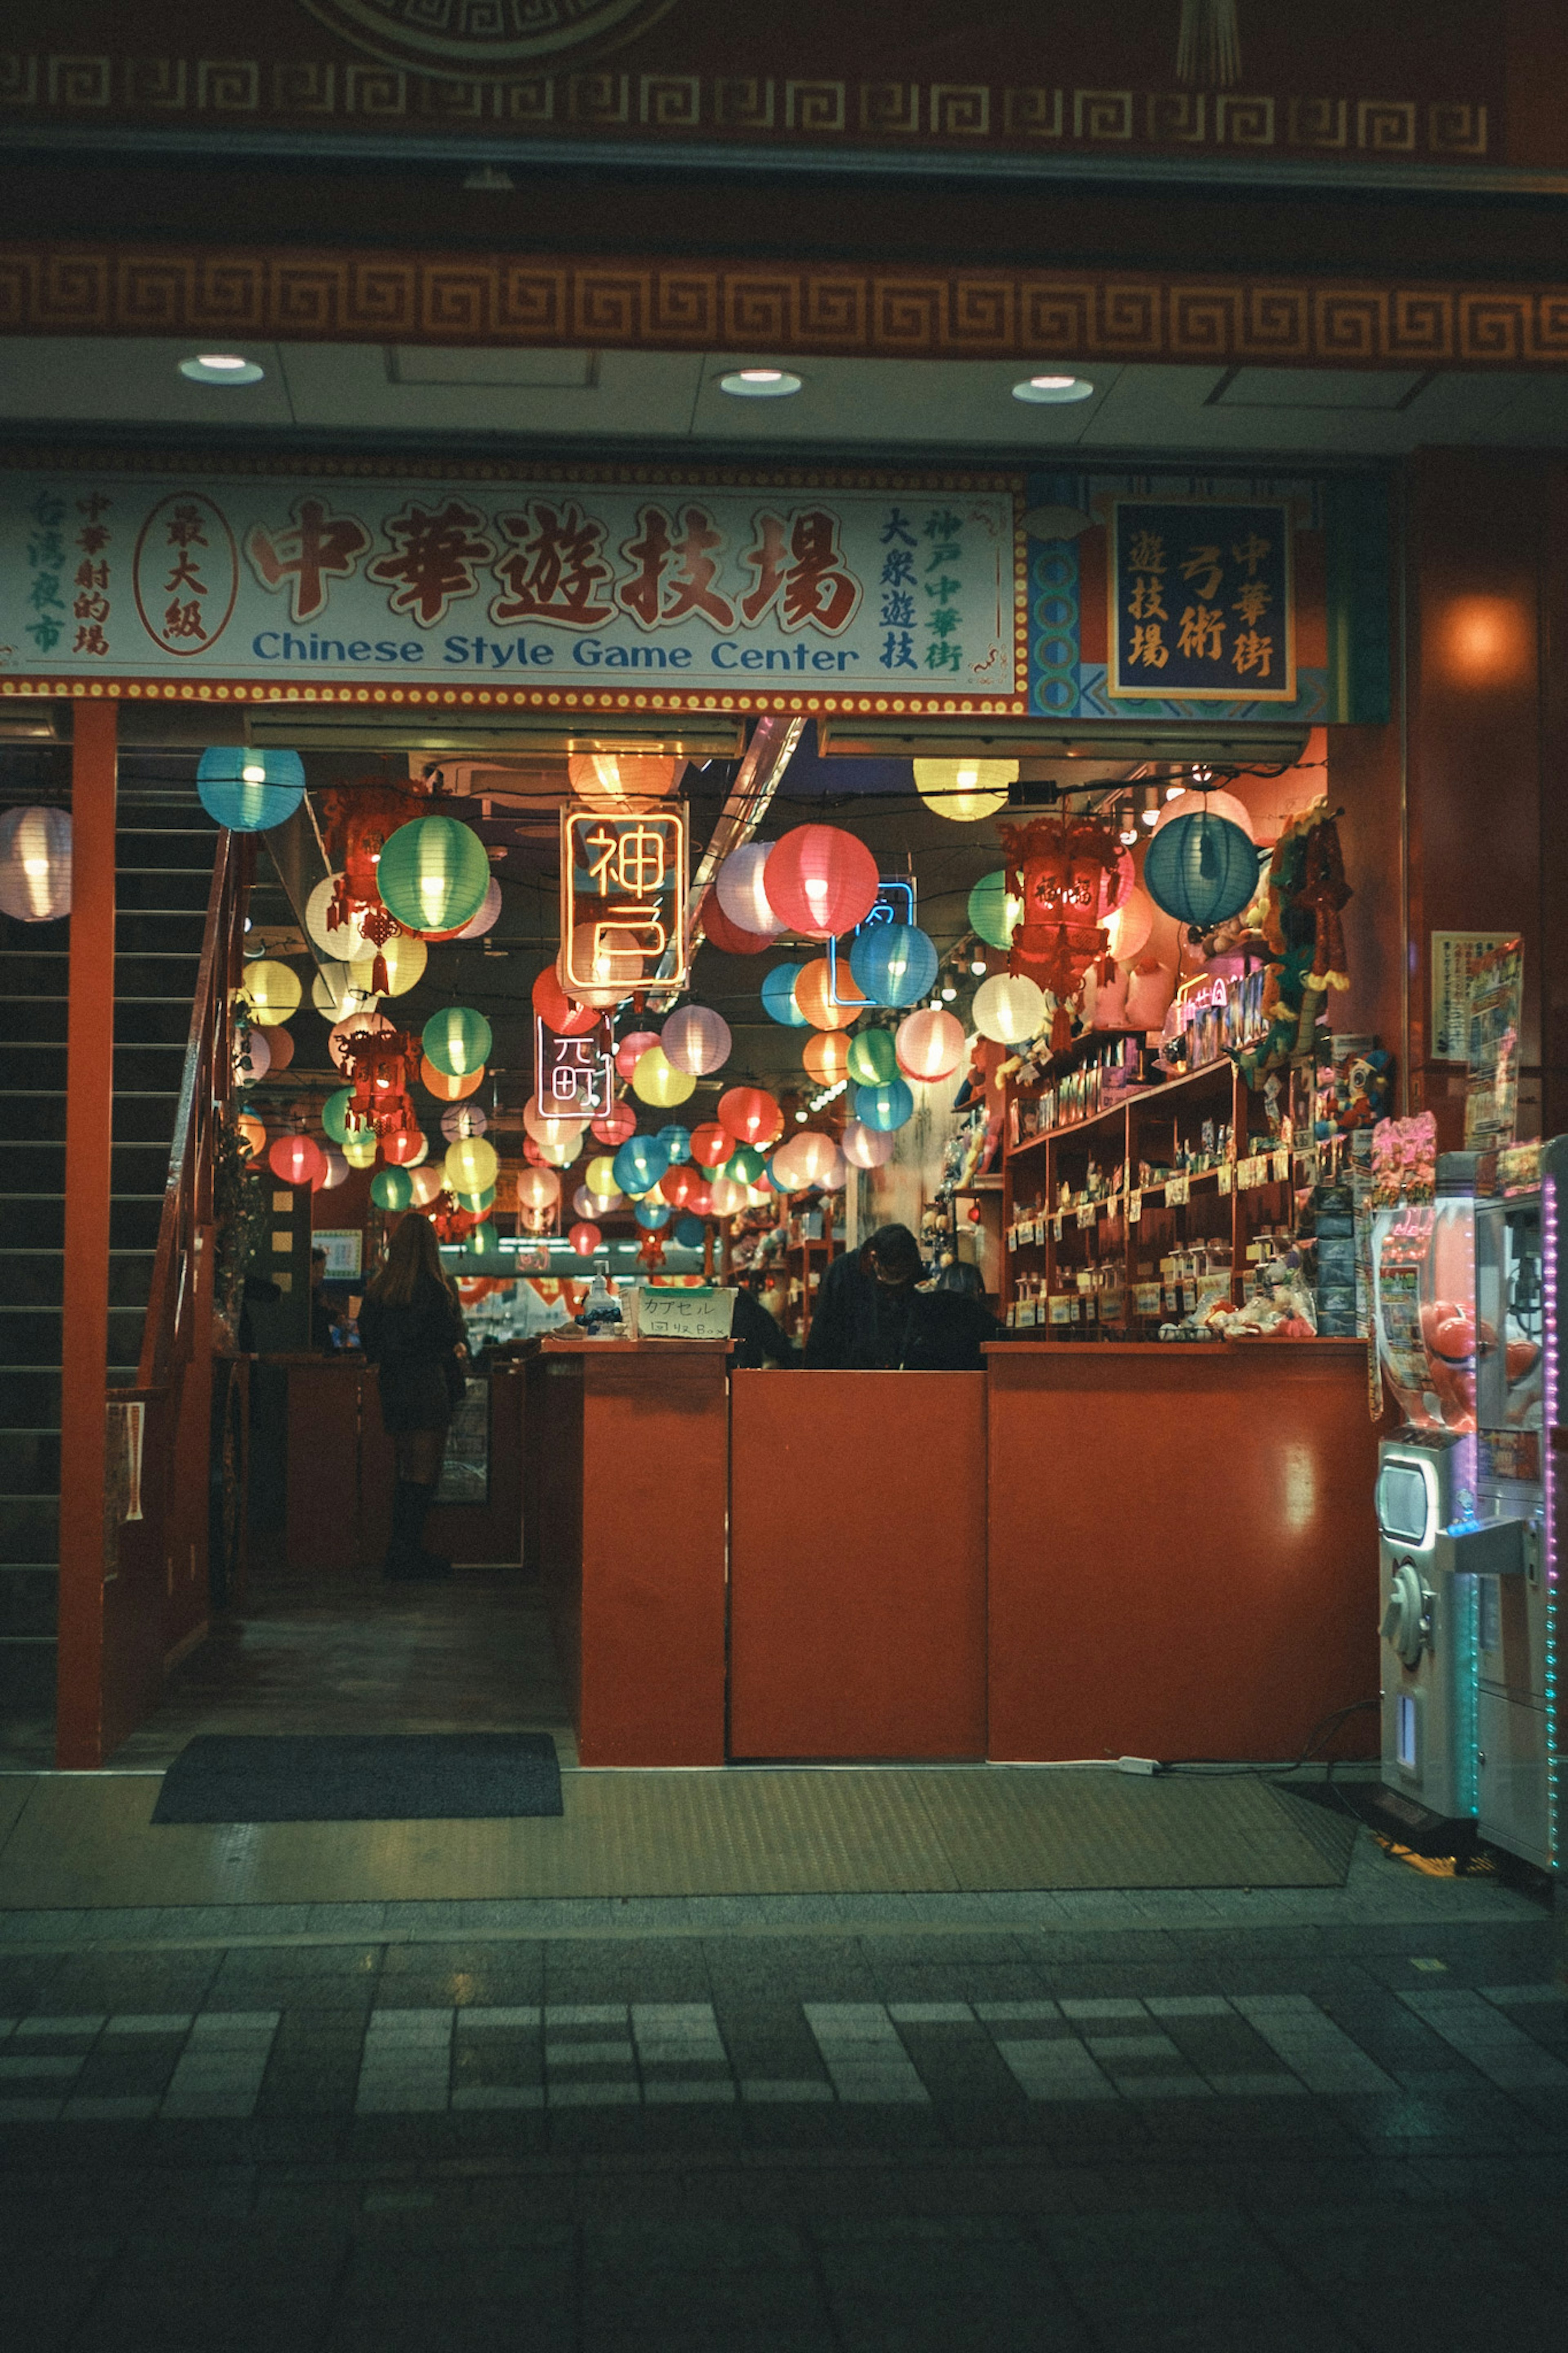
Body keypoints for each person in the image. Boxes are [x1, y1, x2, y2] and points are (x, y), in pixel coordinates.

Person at [356, 1213, 468, 1581]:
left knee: (405, 1468)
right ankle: (406, 1555)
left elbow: (369, 1341)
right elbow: (450, 1335)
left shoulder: (379, 1289)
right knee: (424, 1473)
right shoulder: (437, 1290)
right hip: (426, 1385)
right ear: (431, 1246)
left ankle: (401, 1552)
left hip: (393, 1386)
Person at [805, 1222, 1005, 1372]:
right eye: (892, 1283)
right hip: (848, 1379)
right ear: (874, 1259)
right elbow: (821, 1342)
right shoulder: (843, 1275)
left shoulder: (927, 1302)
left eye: (904, 1284)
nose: (895, 1293)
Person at [730, 1275, 796, 1370]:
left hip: (720, 1367)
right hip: (750, 1369)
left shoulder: (733, 1306)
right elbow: (775, 1344)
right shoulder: (752, 1308)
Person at [309, 1246, 344, 1353]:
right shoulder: (306, 1298)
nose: (321, 1275)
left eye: (323, 1271)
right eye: (316, 1270)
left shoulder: (316, 1294)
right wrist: (333, 1316)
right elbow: (317, 1315)